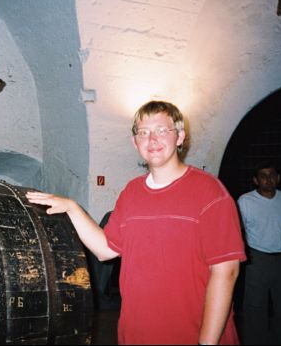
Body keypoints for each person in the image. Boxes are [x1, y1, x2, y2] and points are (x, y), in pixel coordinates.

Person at [26, 100, 246, 345]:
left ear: (180, 137)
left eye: (162, 130)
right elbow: (105, 250)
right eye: (143, 132)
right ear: (135, 142)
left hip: (192, 333)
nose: (152, 139)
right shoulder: (131, 192)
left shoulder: (209, 192)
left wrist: (207, 342)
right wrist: (73, 208)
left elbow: (226, 271)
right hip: (137, 333)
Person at [237, 162, 281, 345]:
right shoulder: (245, 201)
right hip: (258, 259)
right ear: (256, 180)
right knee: (255, 308)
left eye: (272, 175)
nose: (268, 179)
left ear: (278, 178)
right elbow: (239, 231)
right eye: (263, 175)